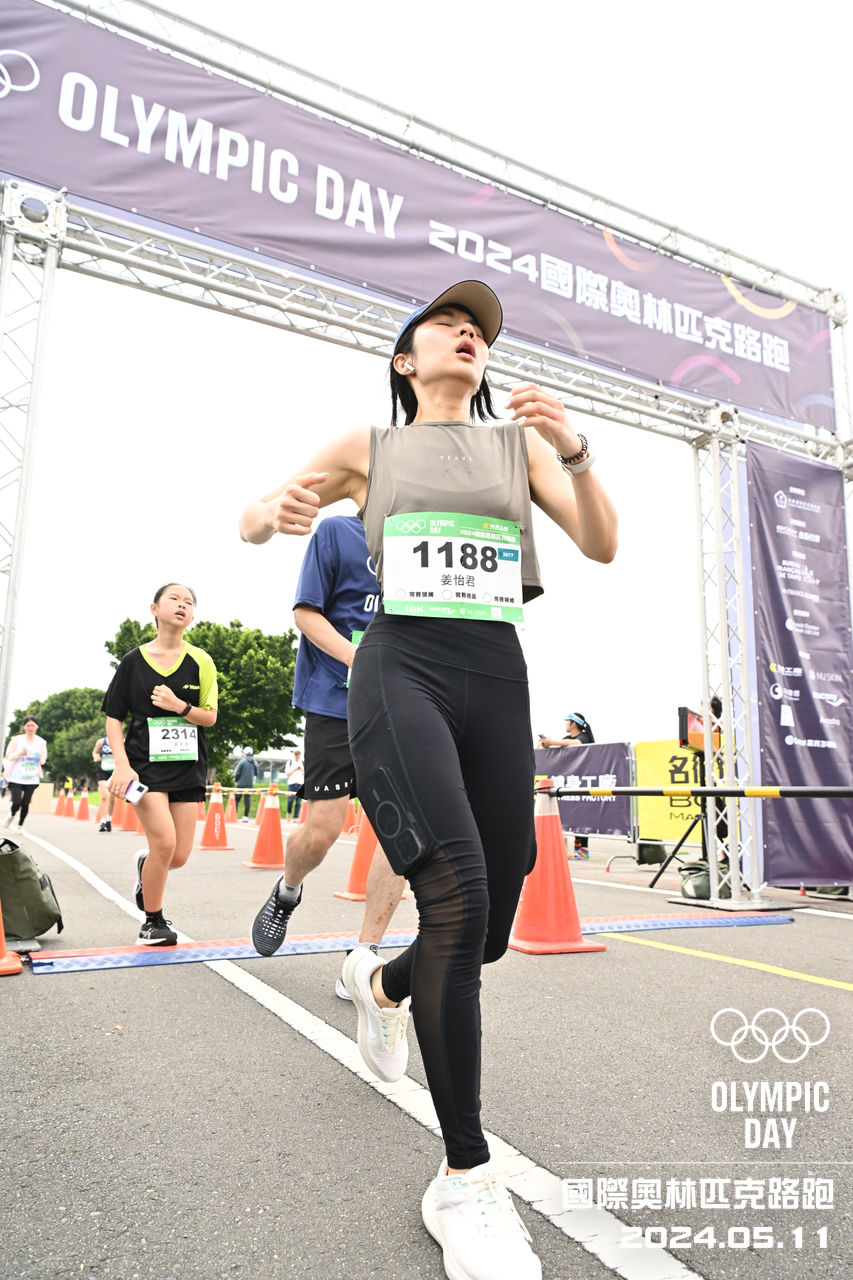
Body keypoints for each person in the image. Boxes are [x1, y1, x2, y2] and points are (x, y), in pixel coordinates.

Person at [240, 279, 617, 1280]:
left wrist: (575, 449)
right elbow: (254, 516)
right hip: (398, 661)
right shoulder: (368, 445)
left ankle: (380, 981)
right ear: (405, 360)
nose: (467, 333)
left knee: (486, 924)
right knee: (455, 893)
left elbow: (601, 542)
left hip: (494, 667)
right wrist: (269, 511)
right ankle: (464, 1176)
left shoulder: (517, 448)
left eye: (478, 329)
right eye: (447, 323)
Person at [248, 514, 405, 1002]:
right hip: (336, 700)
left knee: (401, 834)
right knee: (323, 829)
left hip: (402, 702)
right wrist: (361, 659)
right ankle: (288, 890)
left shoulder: (424, 534)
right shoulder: (338, 532)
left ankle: (363, 958)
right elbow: (306, 613)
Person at [102, 583, 218, 945]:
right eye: (174, 599)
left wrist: (179, 706)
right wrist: (122, 766)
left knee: (178, 856)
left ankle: (146, 866)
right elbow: (113, 717)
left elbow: (210, 717)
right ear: (154, 609)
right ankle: (152, 922)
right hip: (144, 767)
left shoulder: (201, 661)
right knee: (164, 844)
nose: (182, 605)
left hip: (187, 766)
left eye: (189, 602)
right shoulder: (133, 662)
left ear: (192, 615)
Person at [538, 712, 595, 856]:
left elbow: (574, 743)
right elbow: (560, 744)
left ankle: (583, 850)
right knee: (573, 813)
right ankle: (577, 850)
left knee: (582, 814)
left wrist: (553, 741)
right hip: (569, 782)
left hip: (582, 781)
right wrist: (546, 744)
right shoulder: (566, 738)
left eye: (567, 721)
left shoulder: (583, 737)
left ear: (573, 724)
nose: (565, 724)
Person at [3, 716, 48, 829]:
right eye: (28, 725)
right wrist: (20, 753)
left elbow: (43, 760)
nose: (30, 728)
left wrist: (40, 758)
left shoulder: (41, 742)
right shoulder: (16, 740)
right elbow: (8, 756)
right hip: (16, 776)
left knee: (25, 802)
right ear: (24, 727)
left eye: (33, 725)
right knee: (16, 802)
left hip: (32, 776)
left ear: (37, 727)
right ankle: (12, 815)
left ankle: (20, 824)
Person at [93, 728, 117, 831]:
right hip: (103, 770)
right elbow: (95, 752)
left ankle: (108, 819)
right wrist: (96, 757)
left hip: (115, 772)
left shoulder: (121, 741)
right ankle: (102, 821)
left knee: (112, 798)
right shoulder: (101, 742)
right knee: (104, 796)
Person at [233, 746, 260, 821]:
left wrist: (236, 780)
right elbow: (256, 773)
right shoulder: (254, 762)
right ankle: (246, 817)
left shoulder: (242, 761)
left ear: (245, 753)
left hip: (240, 784)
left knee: (236, 799)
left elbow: (237, 773)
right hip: (249, 784)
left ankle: (234, 816)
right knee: (247, 800)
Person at [284, 748, 304, 821]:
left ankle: (296, 817)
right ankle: (289, 813)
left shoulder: (303, 762)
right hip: (291, 784)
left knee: (298, 802)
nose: (297, 758)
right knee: (290, 801)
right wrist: (295, 769)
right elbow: (287, 774)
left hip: (300, 784)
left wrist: (301, 769)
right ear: (294, 755)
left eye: (298, 757)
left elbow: (306, 773)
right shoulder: (289, 762)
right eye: (296, 756)